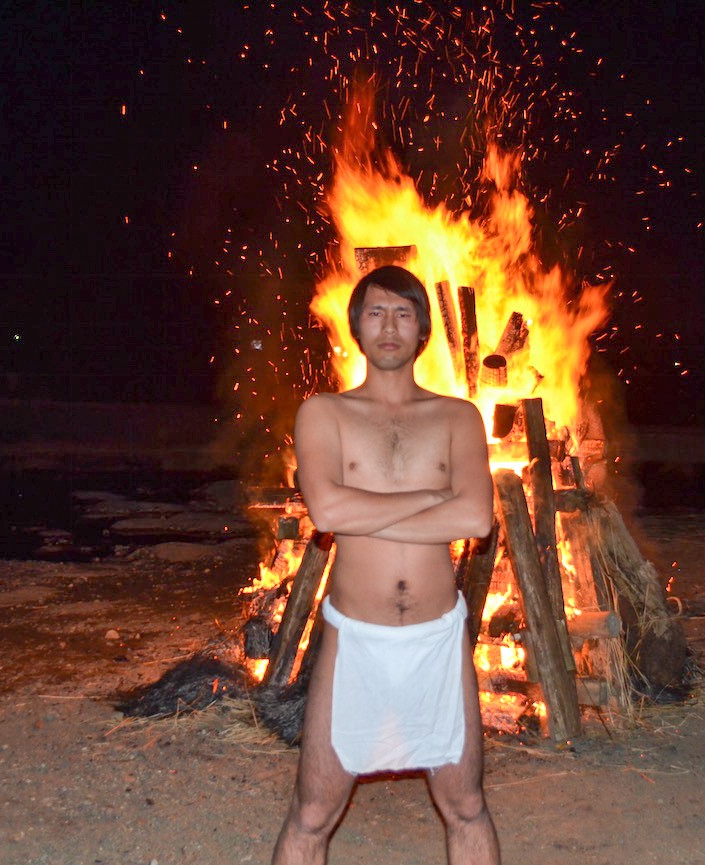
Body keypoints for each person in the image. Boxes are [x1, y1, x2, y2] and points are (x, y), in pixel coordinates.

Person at [272, 265, 500, 865]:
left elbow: (476, 518)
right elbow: (324, 508)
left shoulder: (458, 418)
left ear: (423, 329)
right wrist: (431, 500)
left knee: (467, 807)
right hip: (356, 641)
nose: (389, 326)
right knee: (312, 813)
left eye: (403, 313)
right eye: (376, 312)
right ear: (356, 327)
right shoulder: (325, 413)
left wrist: (362, 510)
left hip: (437, 638)